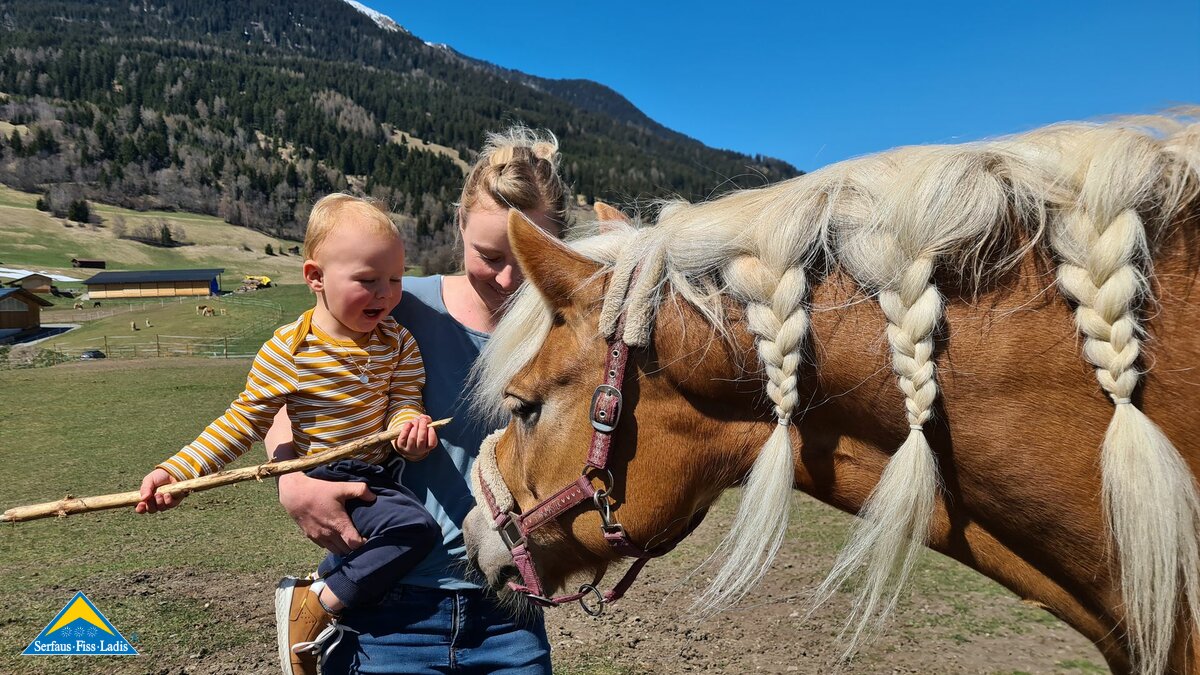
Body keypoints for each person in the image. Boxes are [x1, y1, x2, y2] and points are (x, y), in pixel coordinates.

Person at [266, 126, 570, 674]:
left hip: (513, 612)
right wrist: (294, 482)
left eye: (528, 258)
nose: (507, 279)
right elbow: (287, 399)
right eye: (489, 254)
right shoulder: (397, 307)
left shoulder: (565, 334)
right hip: (386, 606)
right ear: (459, 225)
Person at [135, 193, 443, 675]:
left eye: (395, 280)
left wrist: (408, 427)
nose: (385, 294)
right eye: (367, 280)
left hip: (378, 473)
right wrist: (176, 470)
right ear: (315, 277)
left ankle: (332, 597)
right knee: (416, 529)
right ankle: (316, 603)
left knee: (393, 536)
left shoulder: (397, 341)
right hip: (324, 471)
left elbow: (405, 400)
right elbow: (243, 421)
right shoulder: (288, 350)